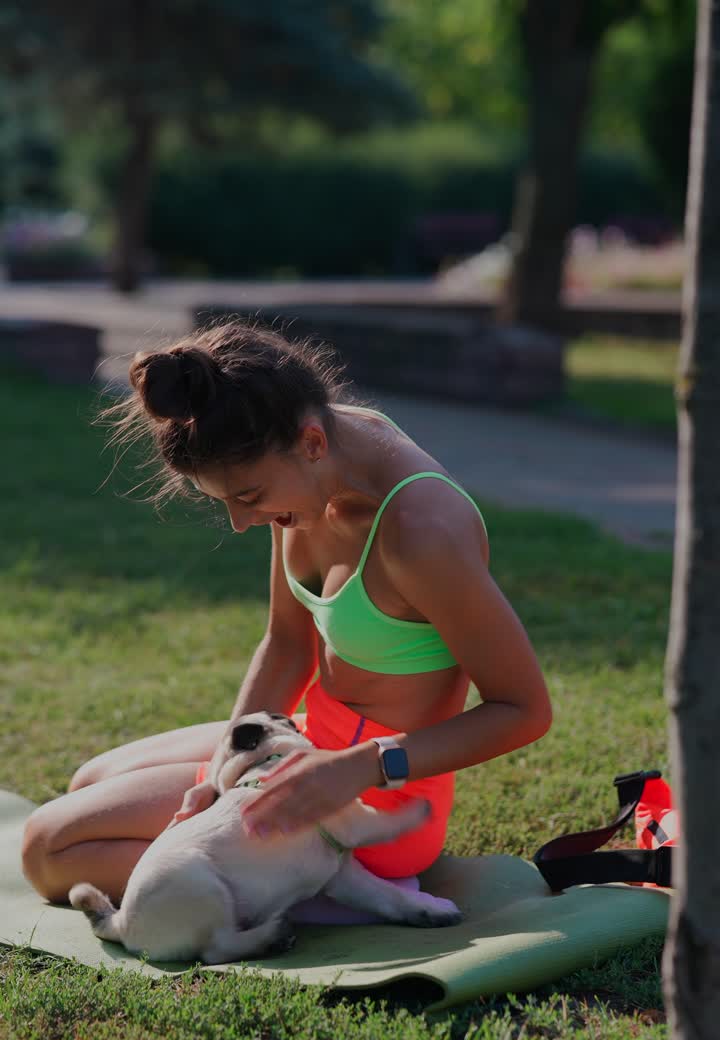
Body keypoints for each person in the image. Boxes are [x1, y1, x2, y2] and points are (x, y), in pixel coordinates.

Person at [22, 320, 553, 907]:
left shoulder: (420, 533)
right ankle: (282, 879)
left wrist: (359, 768)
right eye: (224, 502)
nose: (241, 523)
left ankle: (327, 890)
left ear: (312, 444)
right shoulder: (315, 467)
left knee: (49, 851)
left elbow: (524, 710)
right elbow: (287, 645)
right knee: (88, 784)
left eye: (248, 497)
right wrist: (230, 762)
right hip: (300, 743)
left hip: (377, 802)